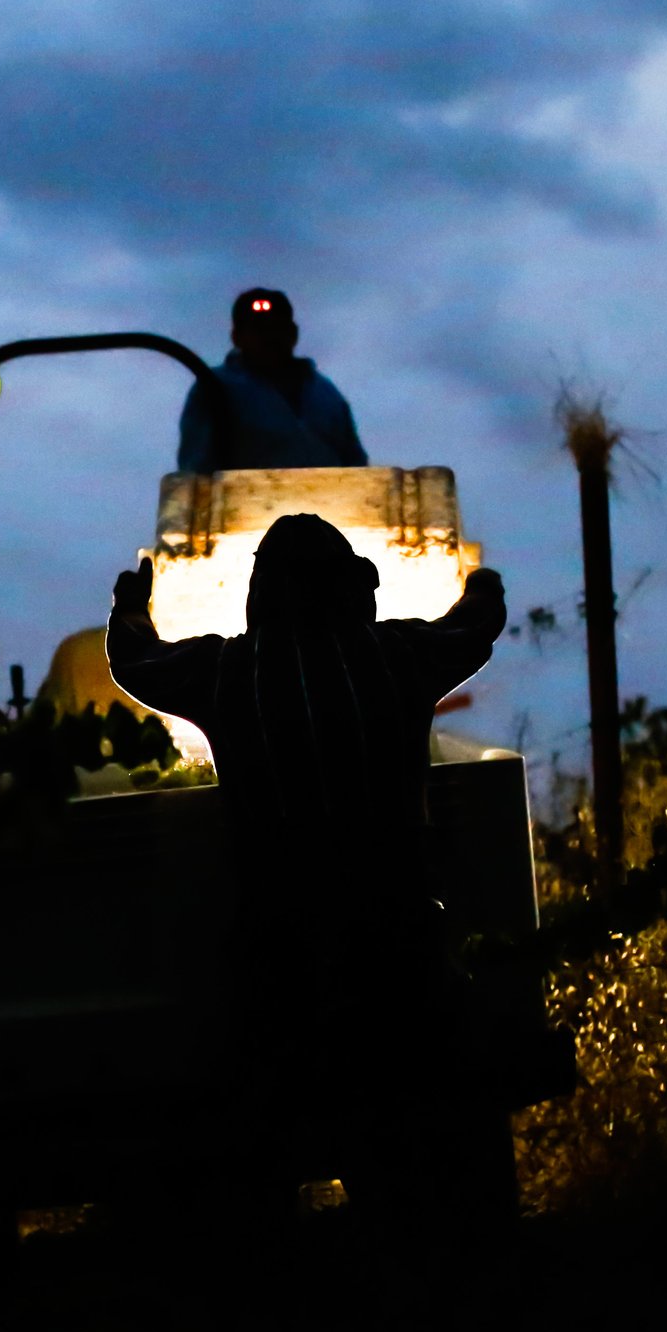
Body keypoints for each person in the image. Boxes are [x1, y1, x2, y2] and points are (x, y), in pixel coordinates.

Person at [106, 517, 510, 1267]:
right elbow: (477, 623)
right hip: (398, 949)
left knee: (259, 1164)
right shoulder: (401, 657)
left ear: (260, 595)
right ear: (354, 587)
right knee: (414, 1164)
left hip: (276, 953)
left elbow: (135, 658)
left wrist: (134, 600)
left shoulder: (228, 672)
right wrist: (481, 577)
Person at [177, 288, 369, 472]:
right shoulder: (213, 388)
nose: (270, 337)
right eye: (258, 328)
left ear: (293, 333)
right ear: (236, 337)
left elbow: (355, 461)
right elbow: (196, 467)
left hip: (327, 503)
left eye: (278, 328)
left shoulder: (326, 394)